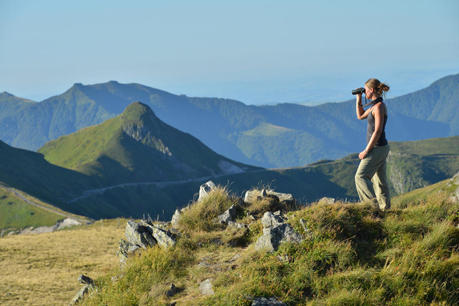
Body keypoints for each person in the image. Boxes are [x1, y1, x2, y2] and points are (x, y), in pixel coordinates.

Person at [354, 78, 391, 213]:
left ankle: (371, 209)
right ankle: (385, 210)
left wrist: (366, 150)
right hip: (380, 148)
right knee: (380, 181)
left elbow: (378, 130)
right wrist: (358, 98)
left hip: (377, 148)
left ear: (372, 90)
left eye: (365, 90)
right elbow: (360, 116)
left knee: (360, 176)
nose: (364, 93)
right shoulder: (375, 105)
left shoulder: (379, 107)